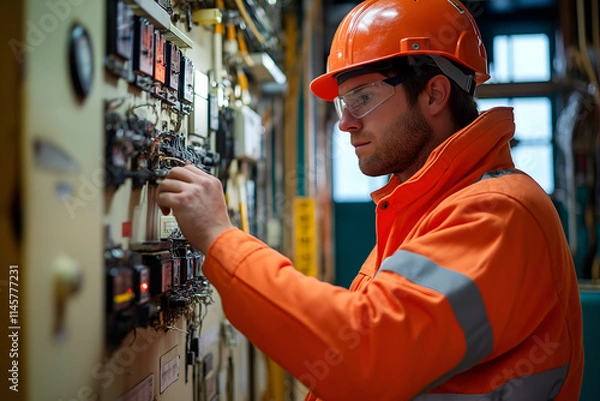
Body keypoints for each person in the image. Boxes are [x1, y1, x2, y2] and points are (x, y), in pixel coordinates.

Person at [156, 0, 584, 399]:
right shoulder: (424, 207)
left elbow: (365, 355)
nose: (345, 122)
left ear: (435, 94)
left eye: (363, 97)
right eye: (344, 102)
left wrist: (219, 238)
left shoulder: (499, 211)